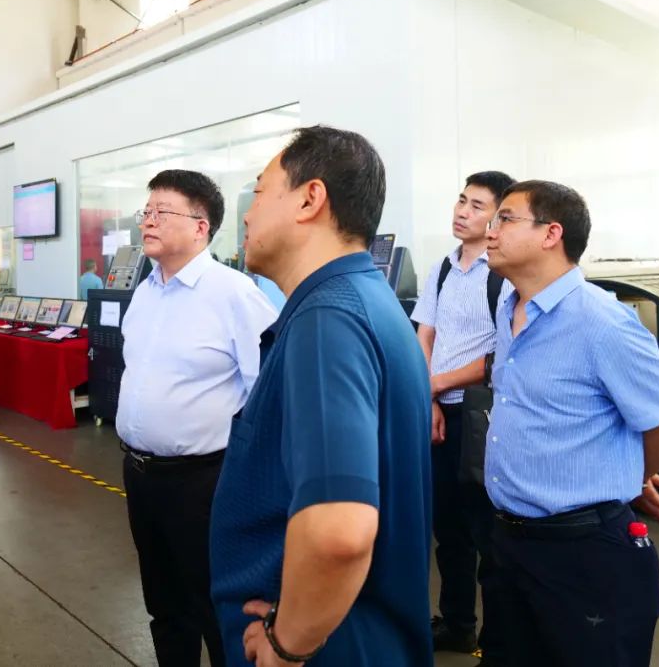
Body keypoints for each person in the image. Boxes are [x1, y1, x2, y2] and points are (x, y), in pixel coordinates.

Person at [210, 126, 433, 667]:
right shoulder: (364, 297)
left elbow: (339, 532)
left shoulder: (328, 318)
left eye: (259, 193)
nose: (247, 216)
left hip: (330, 647)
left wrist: (286, 644)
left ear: (310, 199)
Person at [483, 180, 659, 667]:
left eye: (505, 219)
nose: (491, 231)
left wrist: (629, 476)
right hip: (510, 544)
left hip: (584, 554)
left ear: (551, 233)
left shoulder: (603, 323)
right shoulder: (509, 306)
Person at [117, 170, 278, 667]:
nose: (148, 221)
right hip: (140, 476)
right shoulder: (145, 292)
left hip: (204, 483)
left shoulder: (235, 294)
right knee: (164, 606)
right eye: (146, 211)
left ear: (200, 226)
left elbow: (266, 395)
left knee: (215, 607)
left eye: (161, 212)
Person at [411, 171, 515, 664]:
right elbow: (424, 334)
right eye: (461, 200)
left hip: (483, 421)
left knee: (487, 534)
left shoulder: (504, 275)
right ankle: (457, 625)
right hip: (440, 416)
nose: (462, 211)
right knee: (448, 531)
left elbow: (500, 356)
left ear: (497, 218)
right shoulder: (443, 268)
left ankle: (499, 639)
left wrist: (436, 384)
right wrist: (429, 397)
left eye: (477, 206)